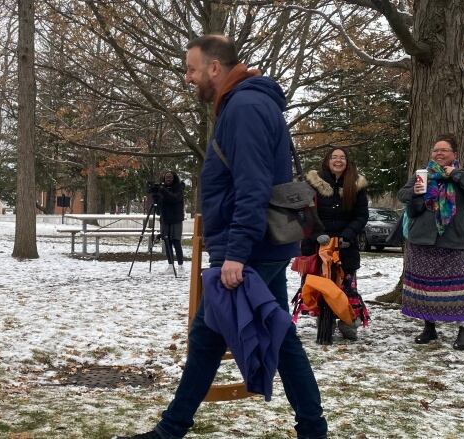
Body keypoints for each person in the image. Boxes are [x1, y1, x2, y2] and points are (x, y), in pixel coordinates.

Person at [117, 35, 327, 439]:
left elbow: (252, 187)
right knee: (280, 338)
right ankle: (313, 429)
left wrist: (235, 254)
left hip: (249, 248)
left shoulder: (245, 108)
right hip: (259, 245)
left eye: (191, 69)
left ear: (215, 68)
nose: (187, 77)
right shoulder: (246, 104)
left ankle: (170, 430)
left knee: (207, 339)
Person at [398, 133, 464, 350]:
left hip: (451, 241)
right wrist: (415, 191)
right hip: (422, 241)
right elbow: (402, 194)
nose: (439, 153)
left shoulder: (463, 174)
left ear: (454, 154)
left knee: (459, 290)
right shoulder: (423, 175)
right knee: (426, 288)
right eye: (436, 150)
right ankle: (429, 328)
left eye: (444, 150)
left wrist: (455, 175)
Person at [302, 147, 369, 341]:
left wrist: (347, 235)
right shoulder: (313, 182)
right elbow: (306, 212)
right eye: (334, 157)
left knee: (346, 285)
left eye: (342, 157)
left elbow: (361, 215)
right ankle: (325, 320)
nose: (338, 160)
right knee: (322, 285)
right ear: (327, 160)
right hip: (319, 244)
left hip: (345, 244)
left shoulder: (356, 184)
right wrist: (317, 234)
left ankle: (347, 321)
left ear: (347, 162)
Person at [157, 171, 186, 274]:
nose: (168, 179)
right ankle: (170, 265)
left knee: (176, 241)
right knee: (167, 242)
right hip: (165, 218)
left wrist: (163, 191)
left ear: (174, 178)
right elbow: (159, 205)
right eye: (166, 177)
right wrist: (156, 194)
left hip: (176, 218)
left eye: (170, 177)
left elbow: (174, 198)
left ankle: (181, 266)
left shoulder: (179, 188)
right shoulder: (162, 189)